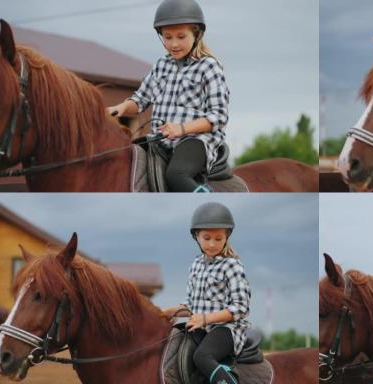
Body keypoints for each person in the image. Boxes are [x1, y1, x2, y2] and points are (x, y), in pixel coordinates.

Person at [107, 0, 230, 192]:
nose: (173, 44)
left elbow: (219, 116)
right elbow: (140, 100)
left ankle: (206, 199)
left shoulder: (209, 67)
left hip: (196, 140)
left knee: (176, 174)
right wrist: (121, 107)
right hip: (160, 139)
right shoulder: (161, 65)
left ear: (197, 34)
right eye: (167, 37)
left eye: (181, 37)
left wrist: (181, 129)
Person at [162, 202, 250, 384]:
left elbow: (241, 308)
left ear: (227, 237)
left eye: (218, 239)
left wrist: (206, 319)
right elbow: (191, 305)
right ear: (196, 236)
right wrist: (168, 312)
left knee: (201, 356)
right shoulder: (195, 265)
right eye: (207, 237)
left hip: (227, 329)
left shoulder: (232, 266)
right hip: (201, 327)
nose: (212, 244)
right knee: (175, 343)